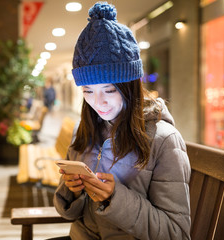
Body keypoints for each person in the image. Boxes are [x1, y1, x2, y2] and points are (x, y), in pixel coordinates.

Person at [53, 2, 191, 240]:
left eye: (109, 90)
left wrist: (114, 198)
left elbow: (176, 233)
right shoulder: (84, 131)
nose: (98, 103)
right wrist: (72, 192)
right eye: (88, 91)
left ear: (130, 86)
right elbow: (70, 215)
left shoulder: (164, 140)